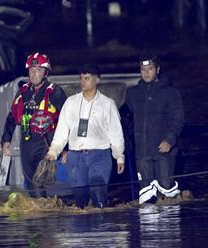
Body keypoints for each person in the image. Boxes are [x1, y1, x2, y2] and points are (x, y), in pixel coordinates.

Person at [46, 64, 125, 208]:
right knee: (80, 198)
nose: (83, 81)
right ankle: (83, 227)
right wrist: (53, 151)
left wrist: (119, 156)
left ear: (97, 80)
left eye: (87, 78)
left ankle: (101, 225)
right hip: (76, 157)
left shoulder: (107, 104)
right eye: (81, 78)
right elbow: (62, 130)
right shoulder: (71, 103)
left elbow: (115, 132)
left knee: (98, 192)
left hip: (100, 155)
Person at [1, 52, 67, 196]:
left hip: (45, 143)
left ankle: (44, 214)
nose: (34, 74)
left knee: (39, 184)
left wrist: (64, 148)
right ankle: (39, 214)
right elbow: (12, 116)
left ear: (46, 72)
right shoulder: (23, 91)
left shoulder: (55, 92)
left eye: (38, 70)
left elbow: (67, 120)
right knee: (31, 185)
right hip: (27, 142)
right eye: (31, 70)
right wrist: (6, 140)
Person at [123, 55, 185, 204]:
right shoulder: (133, 93)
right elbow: (127, 118)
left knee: (166, 193)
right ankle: (149, 226)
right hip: (142, 154)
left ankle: (168, 225)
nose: (146, 73)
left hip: (164, 152)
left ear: (157, 69)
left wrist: (169, 139)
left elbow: (178, 119)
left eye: (150, 69)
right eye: (143, 69)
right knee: (146, 195)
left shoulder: (171, 93)